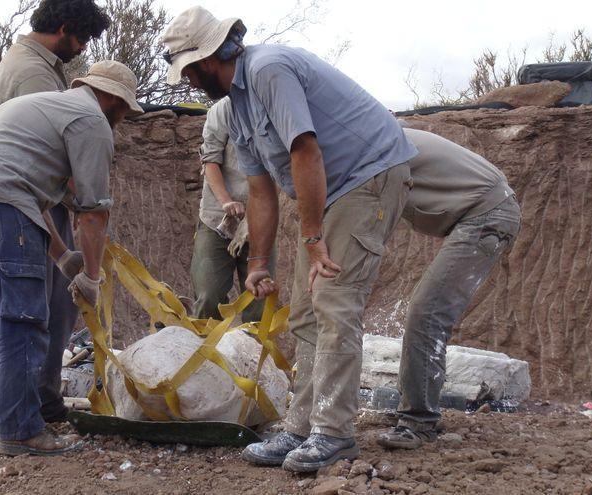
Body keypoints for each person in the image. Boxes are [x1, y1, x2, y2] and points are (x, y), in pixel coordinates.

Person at [163, 7, 418, 472]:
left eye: (189, 72)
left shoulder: (268, 69)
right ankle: (301, 427)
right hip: (330, 189)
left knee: (335, 301)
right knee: (305, 310)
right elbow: (261, 188)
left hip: (367, 177)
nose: (190, 83)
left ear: (205, 60)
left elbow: (305, 149)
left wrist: (313, 234)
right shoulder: (234, 108)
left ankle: (333, 433)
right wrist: (258, 261)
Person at [0, 61, 143, 456]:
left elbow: (29, 192)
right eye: (125, 110)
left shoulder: (42, 107)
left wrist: (62, 257)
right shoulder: (91, 119)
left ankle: (0, 423)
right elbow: (92, 212)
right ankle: (21, 430)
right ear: (111, 98)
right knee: (22, 319)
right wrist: (92, 278)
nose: (123, 119)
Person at [0, 0, 111, 424]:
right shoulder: (34, 73)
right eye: (82, 38)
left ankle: (9, 408)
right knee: (43, 303)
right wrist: (86, 209)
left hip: (8, 195)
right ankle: (35, 404)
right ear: (65, 28)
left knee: (29, 302)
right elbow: (53, 150)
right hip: (23, 199)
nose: (82, 47)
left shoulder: (29, 63)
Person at [374, 127, 521, 450]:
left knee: (427, 313)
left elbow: (368, 224)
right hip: (482, 210)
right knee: (426, 312)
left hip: (487, 214)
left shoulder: (375, 148)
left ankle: (418, 420)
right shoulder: (377, 140)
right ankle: (414, 409)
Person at [190, 96, 274, 322]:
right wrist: (226, 201)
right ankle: (206, 354)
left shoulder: (277, 106)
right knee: (209, 296)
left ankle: (254, 355)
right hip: (216, 218)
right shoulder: (223, 109)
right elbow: (210, 161)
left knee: (261, 302)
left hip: (259, 221)